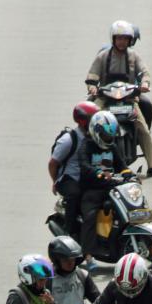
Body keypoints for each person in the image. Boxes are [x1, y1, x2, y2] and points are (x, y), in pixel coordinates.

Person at [85, 19, 152, 178]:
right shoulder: (103, 56)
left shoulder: (134, 56)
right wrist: (92, 87)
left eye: (125, 39)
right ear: (113, 39)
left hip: (128, 100)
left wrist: (145, 83)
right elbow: (92, 75)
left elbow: (145, 73)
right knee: (91, 122)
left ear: (130, 40)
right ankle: (86, 158)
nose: (122, 42)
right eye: (119, 38)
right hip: (105, 99)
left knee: (143, 129)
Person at [78, 110, 129, 258]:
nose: (109, 138)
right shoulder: (86, 146)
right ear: (96, 131)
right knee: (90, 216)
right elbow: (84, 165)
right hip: (91, 191)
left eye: (111, 135)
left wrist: (129, 174)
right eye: (106, 135)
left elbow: (122, 165)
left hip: (111, 188)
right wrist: (98, 173)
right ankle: (88, 254)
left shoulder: (112, 147)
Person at [47, 101, 98, 242]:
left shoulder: (96, 136)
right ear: (83, 121)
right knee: (74, 195)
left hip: (87, 176)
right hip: (69, 178)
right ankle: (69, 234)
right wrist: (54, 181)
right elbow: (53, 163)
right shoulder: (69, 140)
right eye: (92, 119)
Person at [47, 235, 101, 304]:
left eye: (73, 260)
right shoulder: (48, 279)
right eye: (66, 260)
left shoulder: (82, 275)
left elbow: (96, 297)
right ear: (57, 260)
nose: (70, 263)